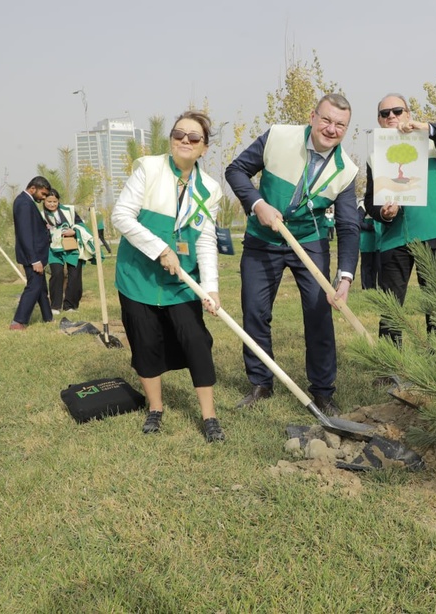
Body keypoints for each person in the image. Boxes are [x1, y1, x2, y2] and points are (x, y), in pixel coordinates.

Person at [225, 93, 359, 416]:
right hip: (263, 238)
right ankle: (260, 382)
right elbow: (236, 170)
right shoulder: (278, 137)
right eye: (326, 120)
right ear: (313, 117)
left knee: (319, 314)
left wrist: (344, 276)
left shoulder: (346, 171)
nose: (331, 129)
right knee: (255, 311)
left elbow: (349, 226)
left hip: (309, 242)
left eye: (340, 124)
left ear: (347, 129)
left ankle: (323, 391)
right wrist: (258, 205)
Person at [111, 110, 225, 443]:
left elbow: (204, 241)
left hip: (181, 283)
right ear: (171, 139)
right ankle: (155, 408)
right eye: (179, 135)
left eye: (194, 138)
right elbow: (121, 215)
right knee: (145, 343)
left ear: (204, 148)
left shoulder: (210, 190)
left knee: (196, 342)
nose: (185, 141)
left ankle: (209, 416)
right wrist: (160, 248)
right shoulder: (148, 168)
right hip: (138, 276)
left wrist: (211, 288)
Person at [364, 93, 436, 347]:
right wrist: (382, 213)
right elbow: (369, 200)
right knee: (391, 306)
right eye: (385, 113)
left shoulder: (431, 144)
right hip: (394, 239)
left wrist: (427, 128)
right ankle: (391, 366)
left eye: (397, 111)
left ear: (408, 114)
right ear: (378, 120)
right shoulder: (374, 156)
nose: (391, 117)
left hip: (431, 233)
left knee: (434, 301)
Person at [10, 176, 54, 330]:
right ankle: (18, 321)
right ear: (33, 188)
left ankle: (48, 317)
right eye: (42, 194)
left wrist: (44, 228)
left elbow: (32, 227)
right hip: (32, 256)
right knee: (34, 287)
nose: (43, 198)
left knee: (41, 287)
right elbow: (25, 233)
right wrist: (34, 260)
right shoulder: (24, 203)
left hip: (36, 254)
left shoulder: (27, 202)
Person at [42, 189, 92, 314]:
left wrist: (74, 232)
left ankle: (70, 305)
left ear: (58, 201)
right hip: (54, 249)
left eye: (55, 201)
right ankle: (55, 306)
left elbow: (81, 225)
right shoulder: (41, 215)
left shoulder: (69, 210)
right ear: (44, 201)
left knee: (75, 276)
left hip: (72, 247)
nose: (52, 204)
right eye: (49, 201)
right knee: (57, 274)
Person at [359, 207, 380, 290]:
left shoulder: (379, 204)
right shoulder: (363, 206)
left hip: (377, 241)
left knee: (376, 266)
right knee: (366, 265)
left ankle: (374, 286)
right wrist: (371, 227)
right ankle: (366, 286)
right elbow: (358, 222)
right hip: (366, 241)